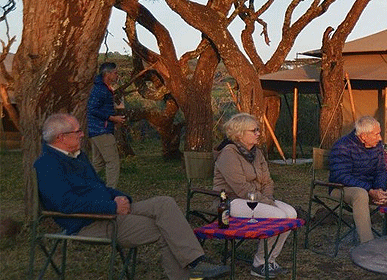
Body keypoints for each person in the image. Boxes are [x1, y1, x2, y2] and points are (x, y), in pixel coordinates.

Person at [34, 113, 229, 279]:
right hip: (87, 223)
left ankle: (195, 262)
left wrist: (122, 198)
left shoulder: (78, 156)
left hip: (108, 210)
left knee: (164, 203)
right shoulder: (48, 165)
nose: (83, 134)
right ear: (61, 138)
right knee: (165, 229)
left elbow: (100, 188)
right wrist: (112, 207)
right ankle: (192, 269)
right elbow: (66, 204)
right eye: (77, 131)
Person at [213, 113, 296, 277]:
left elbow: (267, 181)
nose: (258, 133)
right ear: (240, 134)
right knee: (279, 216)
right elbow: (242, 189)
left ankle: (270, 260)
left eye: (258, 130)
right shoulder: (229, 154)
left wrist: (268, 198)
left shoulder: (256, 153)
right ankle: (259, 264)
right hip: (231, 202)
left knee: (291, 214)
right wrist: (267, 202)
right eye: (254, 130)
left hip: (257, 199)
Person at [329, 116, 387, 243]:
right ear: (364, 136)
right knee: (360, 195)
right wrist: (369, 189)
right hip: (341, 188)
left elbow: (381, 171)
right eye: (377, 134)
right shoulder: (343, 146)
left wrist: (379, 189)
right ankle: (367, 244)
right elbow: (341, 176)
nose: (380, 138)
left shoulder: (377, 145)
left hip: (370, 188)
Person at [87, 62, 126, 189]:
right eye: (115, 73)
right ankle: (111, 192)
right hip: (101, 130)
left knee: (98, 163)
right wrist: (112, 118)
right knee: (113, 162)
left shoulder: (103, 88)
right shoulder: (100, 89)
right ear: (107, 74)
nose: (117, 75)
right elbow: (92, 109)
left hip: (96, 130)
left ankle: (81, 187)